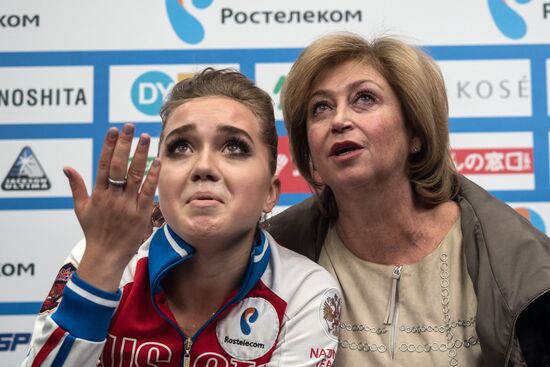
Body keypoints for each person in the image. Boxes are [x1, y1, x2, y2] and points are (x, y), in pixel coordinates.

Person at [23, 68, 341, 367]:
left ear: (270, 193)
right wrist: (102, 265)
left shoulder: (305, 292)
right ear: (160, 177)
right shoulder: (97, 259)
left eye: (234, 147)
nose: (203, 166)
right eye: (180, 147)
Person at [268, 33, 550, 366]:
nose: (340, 120)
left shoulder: (523, 264)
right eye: (321, 108)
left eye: (364, 99)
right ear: (310, 152)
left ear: (415, 132)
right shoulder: (273, 256)